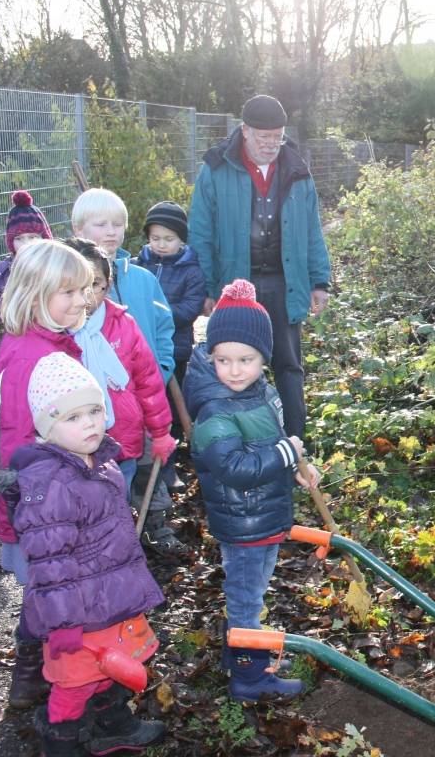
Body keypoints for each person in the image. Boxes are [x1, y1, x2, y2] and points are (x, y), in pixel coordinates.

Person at [0, 352, 165, 756]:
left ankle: (112, 725)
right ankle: (60, 743)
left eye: (93, 410)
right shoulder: (51, 484)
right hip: (77, 614)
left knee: (111, 666)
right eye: (72, 418)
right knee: (74, 683)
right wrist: (64, 622)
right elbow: (50, 566)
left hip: (106, 600)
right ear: (46, 427)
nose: (89, 423)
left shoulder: (99, 465)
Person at [182, 279, 320, 700]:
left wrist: (297, 464)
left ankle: (241, 654)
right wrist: (284, 453)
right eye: (224, 359)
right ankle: (249, 676)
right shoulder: (214, 409)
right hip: (242, 522)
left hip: (262, 515)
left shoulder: (261, 393)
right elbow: (237, 467)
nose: (235, 369)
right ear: (211, 356)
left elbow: (273, 442)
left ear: (264, 358)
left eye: (246, 358)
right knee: (244, 597)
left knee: (254, 590)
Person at [0, 240, 94, 709]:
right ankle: (39, 678)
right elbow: (16, 445)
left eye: (84, 291)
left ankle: (40, 674)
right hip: (40, 509)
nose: (80, 301)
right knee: (47, 592)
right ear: (34, 292)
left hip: (51, 501)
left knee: (49, 591)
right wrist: (36, 508)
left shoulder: (47, 343)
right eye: (67, 292)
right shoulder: (32, 356)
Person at [188, 94, 332, 439]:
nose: (271, 144)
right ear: (245, 131)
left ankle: (294, 443)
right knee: (234, 366)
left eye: (278, 136)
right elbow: (201, 232)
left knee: (288, 365)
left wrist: (319, 281)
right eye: (264, 136)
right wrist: (205, 288)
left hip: (285, 282)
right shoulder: (216, 169)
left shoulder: (298, 171)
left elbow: (312, 229)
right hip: (236, 285)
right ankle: (242, 441)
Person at [64, 239, 185, 557]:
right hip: (75, 445)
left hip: (125, 439)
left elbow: (148, 383)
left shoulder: (124, 325)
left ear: (109, 284)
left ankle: (132, 548)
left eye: (98, 285)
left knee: (125, 496)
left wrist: (160, 433)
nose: (88, 297)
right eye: (78, 286)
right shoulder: (56, 332)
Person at [70, 188, 176, 384]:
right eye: (101, 224)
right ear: (77, 229)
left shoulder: (144, 279)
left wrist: (162, 368)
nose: (111, 231)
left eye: (117, 224)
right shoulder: (71, 282)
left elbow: (164, 327)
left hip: (148, 385)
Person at [133, 201, 206, 383]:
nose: (161, 244)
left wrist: (155, 313)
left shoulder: (191, 271)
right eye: (155, 238)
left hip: (176, 347)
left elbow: (190, 308)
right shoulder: (138, 265)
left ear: (181, 239)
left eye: (169, 239)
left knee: (174, 396)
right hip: (142, 344)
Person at [0, 190, 53, 324]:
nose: (26, 244)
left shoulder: (55, 265)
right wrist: (10, 305)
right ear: (11, 242)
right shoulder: (4, 269)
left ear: (44, 238)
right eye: (19, 238)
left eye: (32, 237)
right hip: (16, 332)